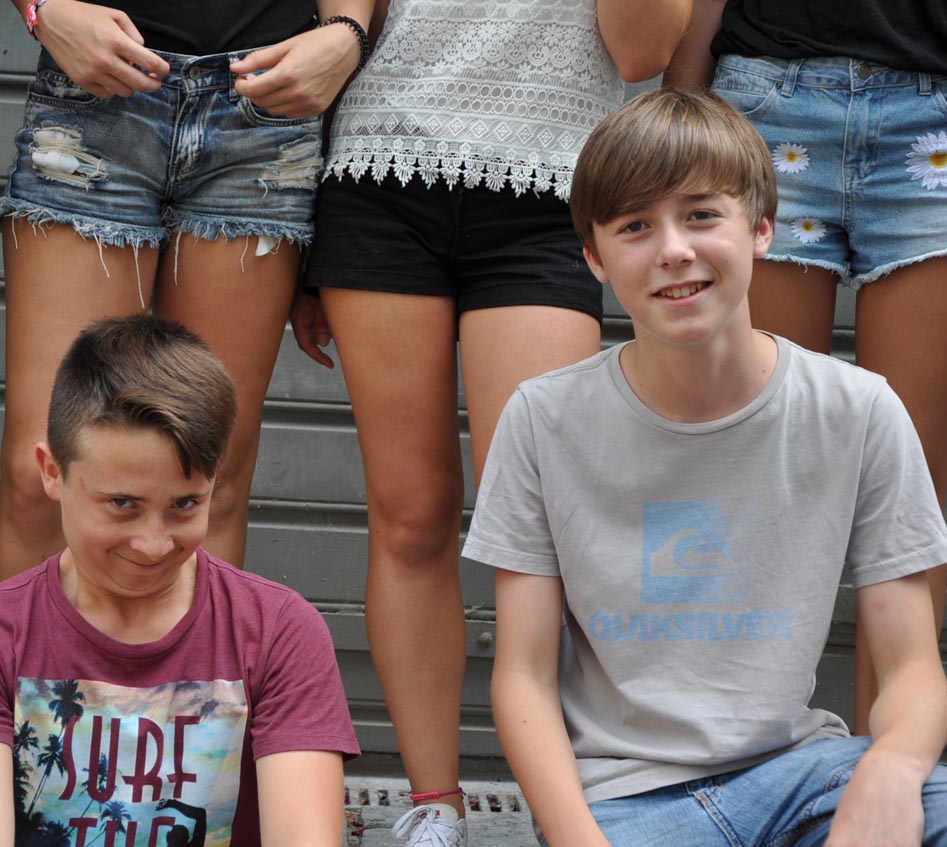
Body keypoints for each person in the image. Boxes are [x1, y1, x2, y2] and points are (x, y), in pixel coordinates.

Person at [464, 88, 947, 846]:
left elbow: (912, 665)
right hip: (625, 802)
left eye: (700, 214)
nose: (673, 250)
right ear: (594, 259)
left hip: (804, 773)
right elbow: (522, 675)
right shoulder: (542, 418)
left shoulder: (857, 409)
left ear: (760, 229)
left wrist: (891, 768)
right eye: (634, 225)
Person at [292, 1, 692, 843]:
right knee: (410, 514)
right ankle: (433, 803)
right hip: (379, 172)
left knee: (550, 521)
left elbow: (641, 54)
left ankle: (571, 804)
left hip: (549, 185)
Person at [0, 316, 359, 844]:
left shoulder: (279, 631)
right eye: (122, 503)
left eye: (185, 504)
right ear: (52, 472)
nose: (153, 544)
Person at [0, 0, 373, 586]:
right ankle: (38, 655)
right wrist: (41, 7)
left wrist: (348, 30)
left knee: (210, 481)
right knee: (42, 478)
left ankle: (181, 656)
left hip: (261, 108)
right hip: (98, 93)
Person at [663, 0, 947, 734]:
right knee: (754, 457)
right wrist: (680, 117)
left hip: (933, 121)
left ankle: (888, 763)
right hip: (770, 102)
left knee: (913, 481)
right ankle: (740, 754)